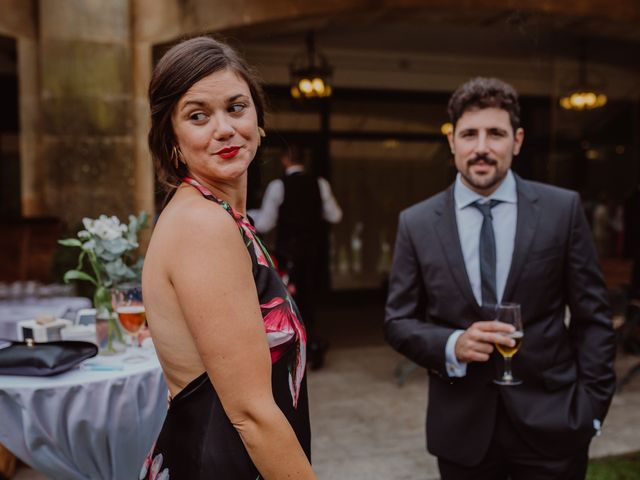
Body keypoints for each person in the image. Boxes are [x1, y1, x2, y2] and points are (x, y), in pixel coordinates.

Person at [384, 77, 616, 479]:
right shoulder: (416, 223)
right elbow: (397, 321)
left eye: (496, 133)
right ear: (452, 141)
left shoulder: (562, 210)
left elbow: (593, 318)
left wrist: (591, 411)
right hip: (462, 433)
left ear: (518, 140)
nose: (482, 148)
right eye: (469, 134)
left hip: (554, 425)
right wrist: (453, 344)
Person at [141, 36, 315, 479]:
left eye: (236, 108)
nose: (223, 128)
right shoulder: (204, 225)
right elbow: (251, 414)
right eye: (198, 116)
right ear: (172, 139)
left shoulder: (223, 216)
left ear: (258, 122)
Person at [251, 146, 342, 369]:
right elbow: (335, 215)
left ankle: (296, 350)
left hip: (288, 254)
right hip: (313, 252)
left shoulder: (278, 186)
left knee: (288, 302)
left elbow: (265, 223)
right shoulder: (319, 184)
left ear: (284, 160)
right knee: (309, 301)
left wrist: (249, 216)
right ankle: (312, 347)